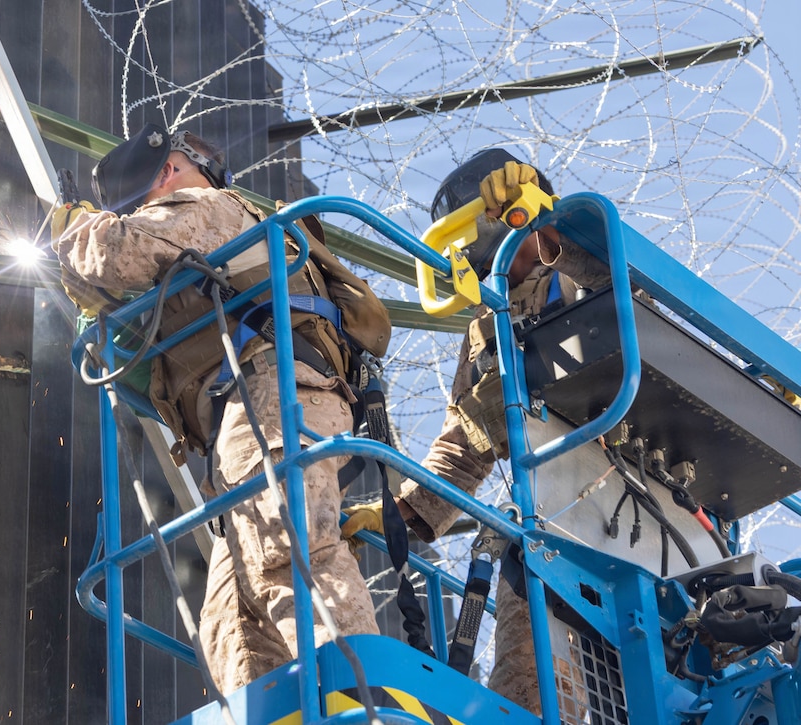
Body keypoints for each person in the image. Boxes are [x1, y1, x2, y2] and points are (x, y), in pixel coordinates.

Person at [52, 123, 383, 693]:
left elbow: (115, 252)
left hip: (274, 396)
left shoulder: (209, 206)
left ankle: (364, 698)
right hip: (245, 420)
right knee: (232, 620)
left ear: (167, 174)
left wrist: (68, 232)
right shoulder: (188, 267)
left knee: (288, 551)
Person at [342, 149, 612, 714]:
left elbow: (615, 278)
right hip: (555, 527)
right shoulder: (486, 333)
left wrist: (549, 227)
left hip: (645, 505)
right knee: (529, 693)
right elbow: (465, 449)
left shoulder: (579, 269)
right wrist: (405, 512)